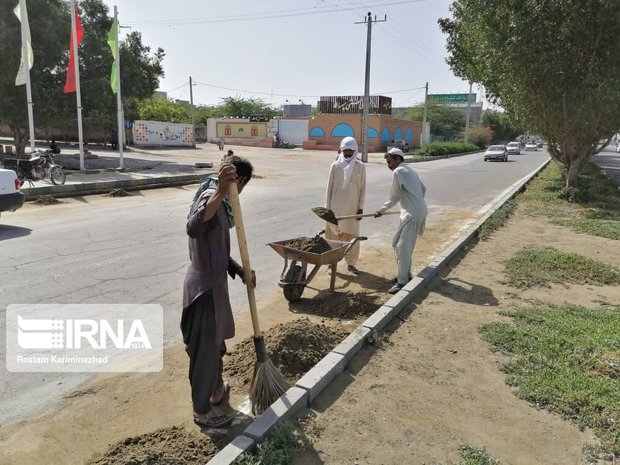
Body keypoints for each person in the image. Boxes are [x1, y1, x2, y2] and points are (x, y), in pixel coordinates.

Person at [181, 155, 256, 428]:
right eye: (241, 186)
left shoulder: (220, 205)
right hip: (204, 293)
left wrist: (238, 269)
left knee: (215, 348)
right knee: (204, 355)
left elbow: (218, 250)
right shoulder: (214, 196)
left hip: (213, 288)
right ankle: (202, 412)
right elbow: (193, 227)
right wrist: (223, 190)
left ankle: (215, 391)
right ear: (241, 181)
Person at [375, 147, 428, 294]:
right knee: (403, 246)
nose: (389, 165)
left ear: (398, 159)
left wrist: (381, 210)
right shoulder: (410, 170)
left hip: (412, 215)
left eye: (390, 161)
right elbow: (423, 190)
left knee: (403, 248)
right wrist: (413, 203)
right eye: (387, 162)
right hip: (416, 212)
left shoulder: (399, 171)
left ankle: (402, 282)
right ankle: (405, 275)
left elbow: (394, 197)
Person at [324, 136, 366, 274]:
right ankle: (331, 264)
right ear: (342, 150)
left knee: (353, 238)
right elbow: (329, 189)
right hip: (335, 209)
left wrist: (360, 207)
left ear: (355, 150)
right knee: (332, 237)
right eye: (346, 150)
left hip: (352, 209)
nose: (348, 153)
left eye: (350, 150)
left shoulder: (361, 166)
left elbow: (363, 188)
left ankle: (351, 264)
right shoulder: (335, 166)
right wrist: (327, 209)